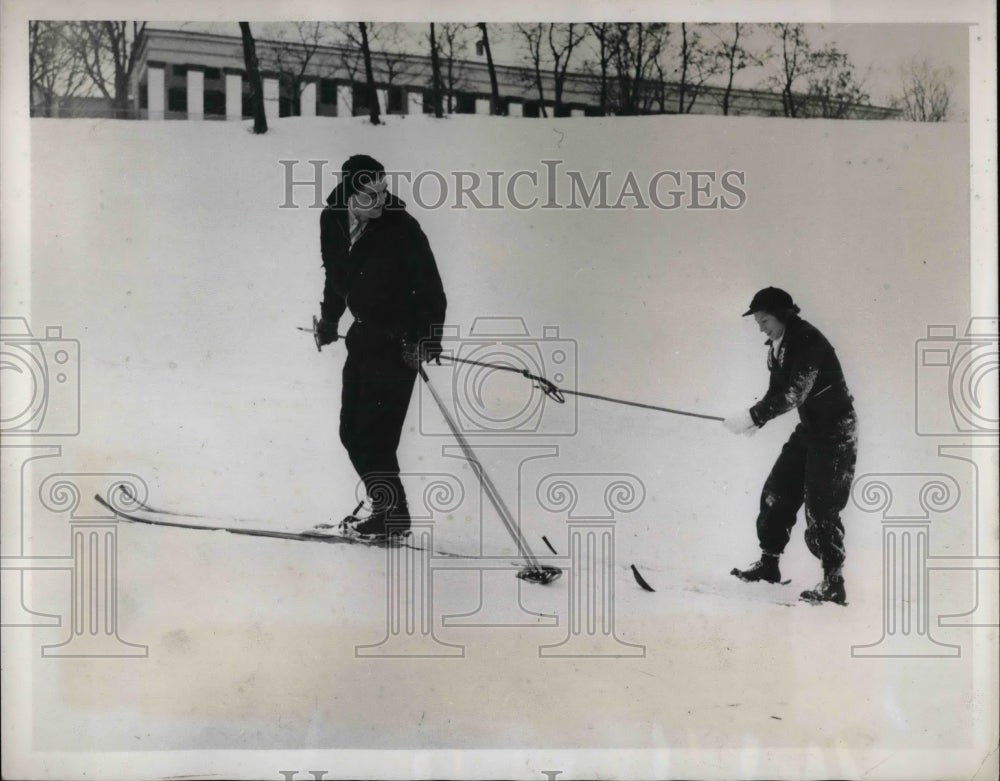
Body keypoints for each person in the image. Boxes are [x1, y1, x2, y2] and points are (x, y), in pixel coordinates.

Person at [315, 154, 446, 541]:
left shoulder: (403, 228)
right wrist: (329, 320)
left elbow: (432, 290)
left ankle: (393, 513)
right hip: (363, 338)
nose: (380, 199)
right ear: (350, 191)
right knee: (351, 431)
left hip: (398, 341)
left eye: (383, 191)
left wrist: (425, 338)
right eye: (369, 193)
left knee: (377, 434)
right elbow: (335, 274)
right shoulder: (333, 220)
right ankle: (386, 506)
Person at [723, 287, 858, 605]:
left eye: (764, 319)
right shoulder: (776, 347)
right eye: (757, 321)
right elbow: (777, 392)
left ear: (782, 314)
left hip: (836, 432)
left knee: (821, 507)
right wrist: (756, 420)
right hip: (810, 430)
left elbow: (796, 392)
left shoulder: (807, 340)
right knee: (777, 491)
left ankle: (833, 583)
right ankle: (769, 564)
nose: (760, 327)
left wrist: (752, 415)